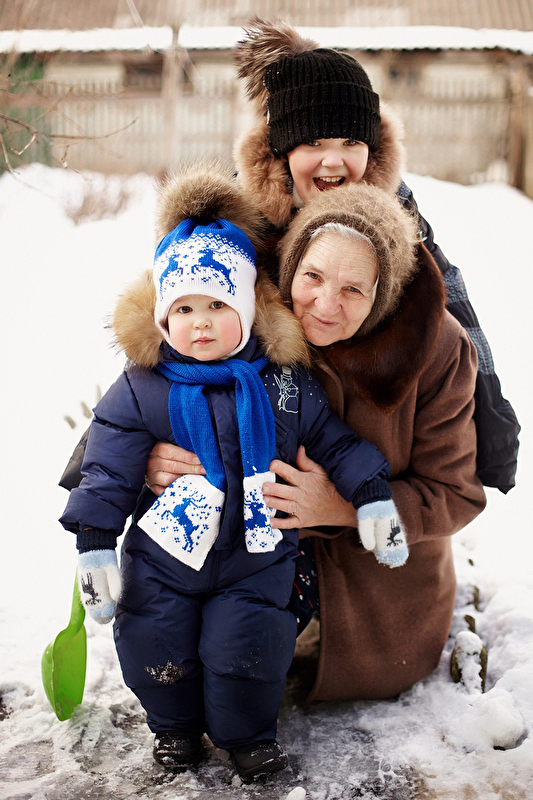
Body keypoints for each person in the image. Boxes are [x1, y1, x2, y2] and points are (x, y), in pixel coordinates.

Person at [59, 161, 409, 780]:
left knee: (249, 647)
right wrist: (94, 543)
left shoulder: (283, 383)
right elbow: (107, 463)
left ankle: (248, 735)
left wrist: (372, 495)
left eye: (217, 305)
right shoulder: (143, 386)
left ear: (247, 308)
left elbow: (334, 442)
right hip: (164, 556)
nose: (199, 322)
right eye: (184, 308)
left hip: (257, 554)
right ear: (162, 315)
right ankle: (173, 729)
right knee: (153, 639)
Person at [146, 175, 487, 704]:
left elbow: (456, 493)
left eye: (353, 289)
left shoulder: (438, 347)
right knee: (184, 667)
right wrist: (151, 459)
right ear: (291, 269)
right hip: (244, 557)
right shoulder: (235, 313)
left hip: (377, 594)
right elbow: (132, 407)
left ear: (381, 294)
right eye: (313, 277)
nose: (326, 304)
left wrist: (343, 506)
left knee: (248, 672)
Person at [228, 16, 519, 495]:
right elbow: (180, 310)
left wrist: (492, 416)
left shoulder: (396, 216)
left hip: (359, 456)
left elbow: (451, 300)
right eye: (313, 141)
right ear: (281, 150)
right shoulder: (240, 218)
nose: (333, 160)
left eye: (351, 142)